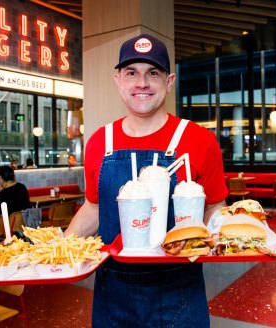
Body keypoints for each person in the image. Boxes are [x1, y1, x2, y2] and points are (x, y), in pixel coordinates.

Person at [65, 33, 227, 327]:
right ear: (118, 80)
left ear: (169, 81)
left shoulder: (200, 140)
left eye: (153, 72)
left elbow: (215, 207)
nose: (141, 82)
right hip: (112, 294)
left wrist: (230, 238)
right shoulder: (100, 142)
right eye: (132, 73)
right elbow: (93, 208)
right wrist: (57, 252)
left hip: (180, 294)